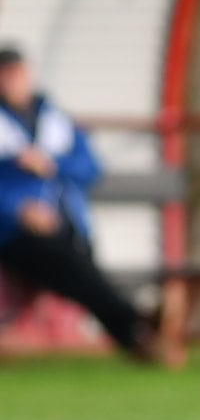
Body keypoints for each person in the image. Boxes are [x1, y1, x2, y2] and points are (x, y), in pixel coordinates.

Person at [0, 46, 160, 361]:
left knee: (72, 262)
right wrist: (16, 211)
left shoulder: (54, 120)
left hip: (67, 226)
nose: (13, 82)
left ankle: (132, 330)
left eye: (17, 74)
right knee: (65, 261)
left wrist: (52, 164)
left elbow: (90, 168)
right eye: (6, 75)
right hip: (13, 234)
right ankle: (133, 325)